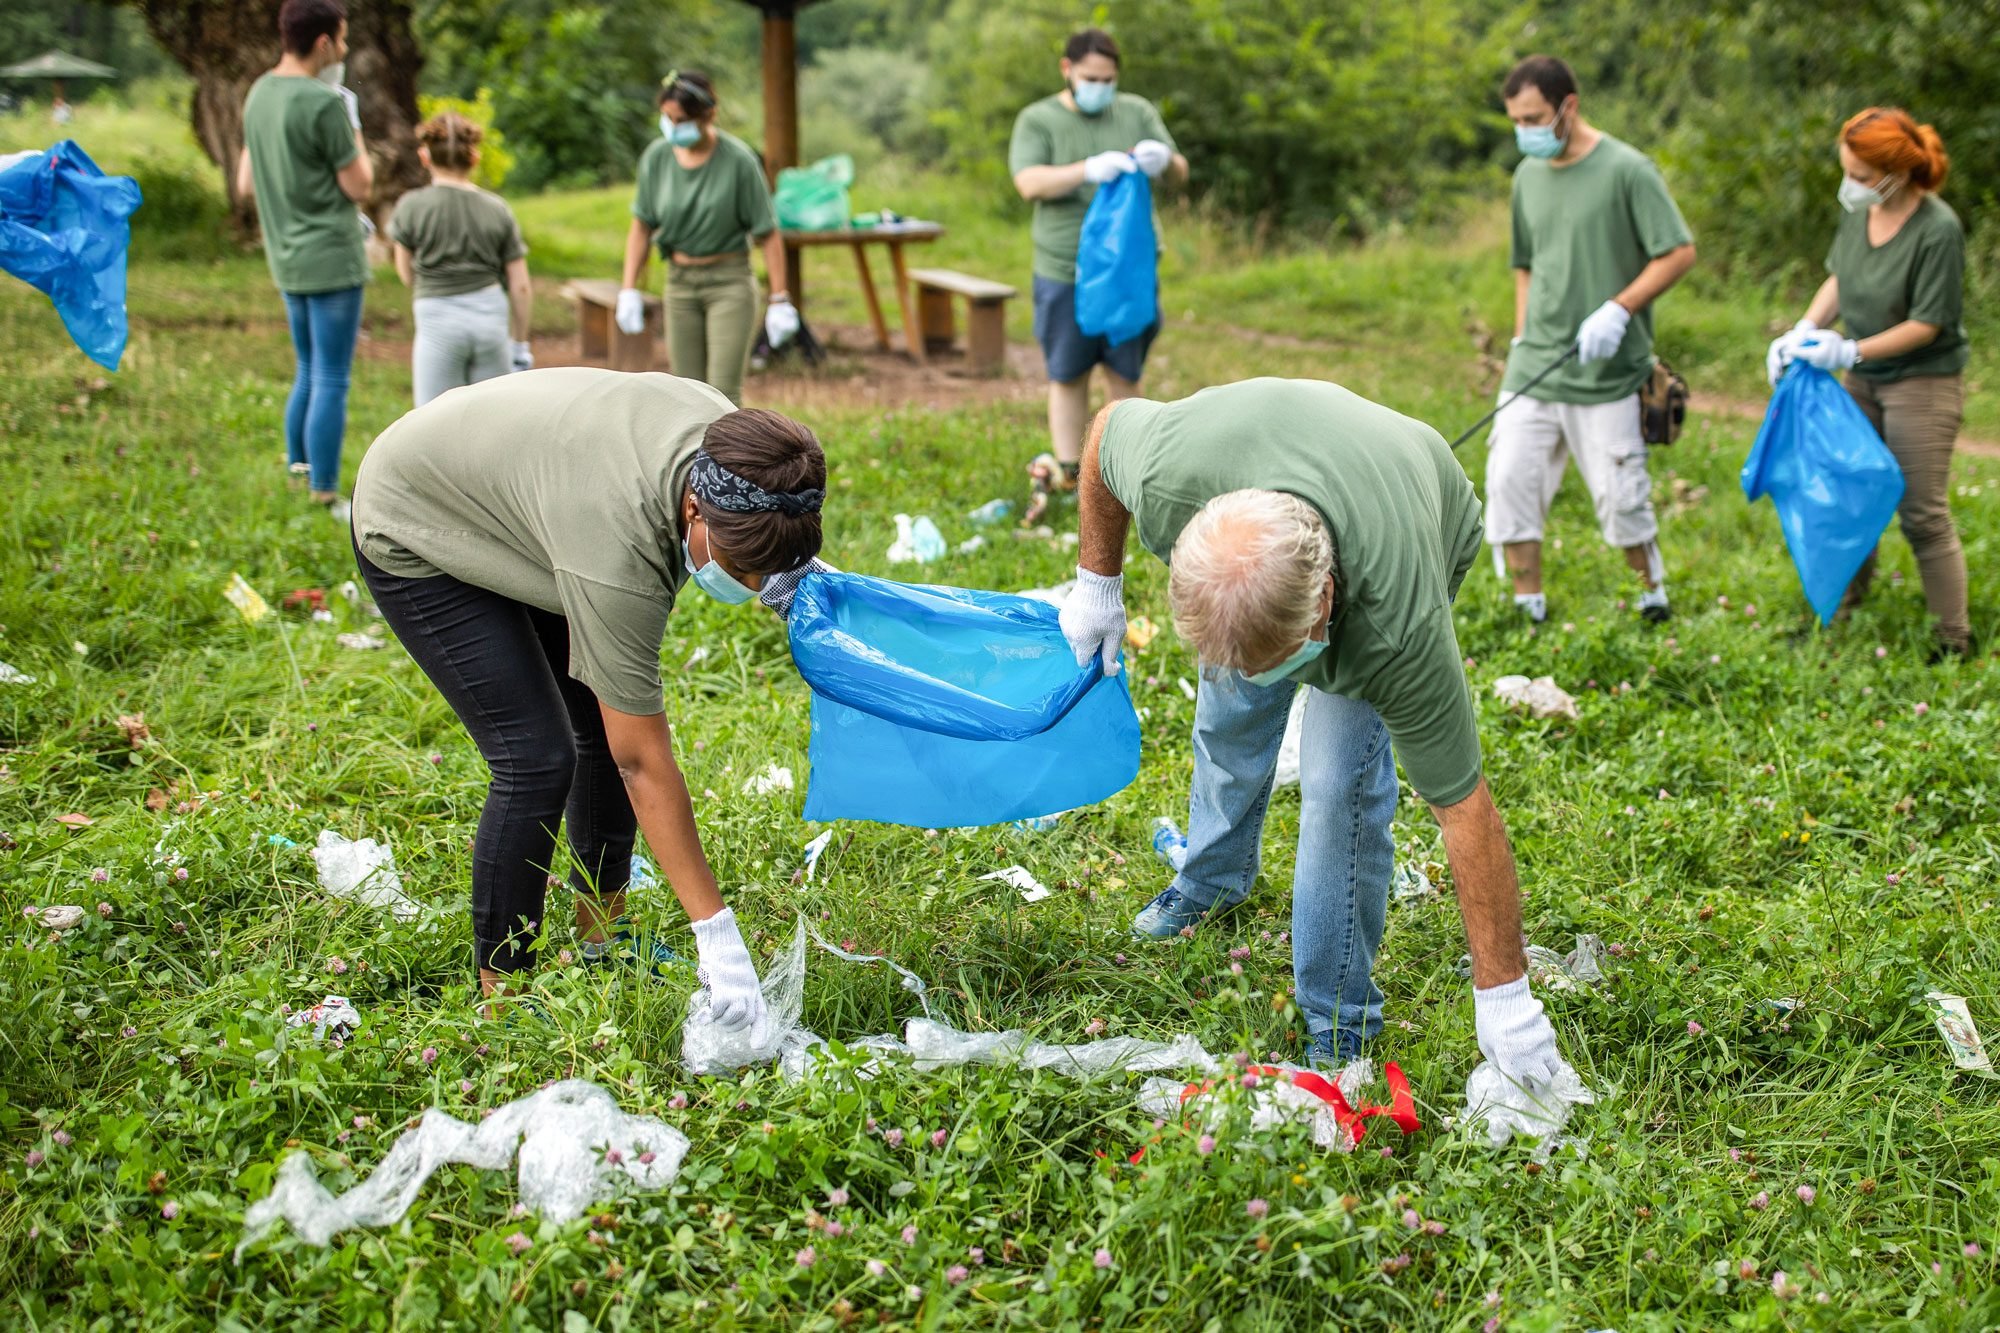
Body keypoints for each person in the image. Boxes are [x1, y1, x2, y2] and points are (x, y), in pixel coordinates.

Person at [1060, 378, 1575, 1095]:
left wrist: (1506, 999)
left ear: (1325, 602)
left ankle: (1339, 1016)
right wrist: (1097, 584)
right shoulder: (1167, 474)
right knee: (1230, 714)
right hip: (1271, 500)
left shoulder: (1399, 626)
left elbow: (1464, 808)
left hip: (1417, 498)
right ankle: (1211, 879)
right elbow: (1105, 429)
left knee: (1340, 785)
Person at [352, 368, 835, 1023]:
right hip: (419, 515)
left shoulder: (738, 455)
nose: (753, 585)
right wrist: (715, 935)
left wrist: (789, 572)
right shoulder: (618, 556)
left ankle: (601, 937)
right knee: (536, 757)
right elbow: (641, 760)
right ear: (694, 509)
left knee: (596, 727)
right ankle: (504, 995)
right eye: (744, 568)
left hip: (535, 502)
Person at [1490, 55, 1696, 625]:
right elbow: (1525, 265)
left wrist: (1619, 307)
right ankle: (1526, 606)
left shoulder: (1628, 170)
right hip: (1536, 363)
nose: (1524, 130)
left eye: (1534, 117)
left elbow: (1679, 252)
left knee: (1620, 494)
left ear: (1568, 107)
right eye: (1516, 120)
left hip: (1607, 369)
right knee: (1510, 482)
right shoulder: (1527, 176)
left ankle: (1651, 598)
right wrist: (1520, 335)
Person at [1766, 108, 1972, 659]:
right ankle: (1840, 612)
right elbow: (1840, 276)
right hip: (1861, 382)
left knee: (1922, 513)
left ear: (1897, 173)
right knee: (1848, 493)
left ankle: (1953, 640)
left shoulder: (1938, 231)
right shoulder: (1862, 214)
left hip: (1922, 382)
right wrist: (1806, 329)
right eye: (1847, 171)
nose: (1848, 187)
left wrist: (1849, 348)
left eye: (1859, 176)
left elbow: (1928, 324)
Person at [1008, 28, 1187, 526]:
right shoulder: (1038, 119)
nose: (1100, 87)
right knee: (1068, 373)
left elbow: (1180, 172)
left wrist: (1163, 161)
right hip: (1067, 269)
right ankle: (1069, 474)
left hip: (1130, 269)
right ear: (1067, 70)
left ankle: (1129, 473)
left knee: (1126, 371)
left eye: (1109, 80)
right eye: (1091, 78)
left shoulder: (1136, 112)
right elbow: (1028, 182)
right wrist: (1084, 169)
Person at [236, 0, 373, 516]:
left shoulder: (259, 93)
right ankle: (324, 490)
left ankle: (299, 469)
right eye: (341, 39)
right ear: (322, 43)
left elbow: (246, 183)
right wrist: (351, 120)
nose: (344, 49)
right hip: (332, 258)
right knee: (333, 376)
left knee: (307, 368)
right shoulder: (325, 103)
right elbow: (360, 184)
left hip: (286, 256)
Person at [615, 70, 795, 407]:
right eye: (667, 118)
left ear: (708, 115)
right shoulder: (657, 158)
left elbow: (768, 234)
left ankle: (729, 460)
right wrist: (628, 289)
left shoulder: (738, 161)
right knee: (686, 396)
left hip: (728, 282)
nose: (672, 127)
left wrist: (780, 298)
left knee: (722, 396)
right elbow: (641, 226)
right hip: (680, 283)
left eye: (680, 120)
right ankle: (694, 462)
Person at [388, 110, 534, 406]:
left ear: (425, 157)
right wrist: (519, 345)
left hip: (437, 320)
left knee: (433, 421)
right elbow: (520, 286)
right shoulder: (497, 209)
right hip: (490, 320)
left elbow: (404, 273)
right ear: (474, 158)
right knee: (494, 419)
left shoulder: (411, 206)